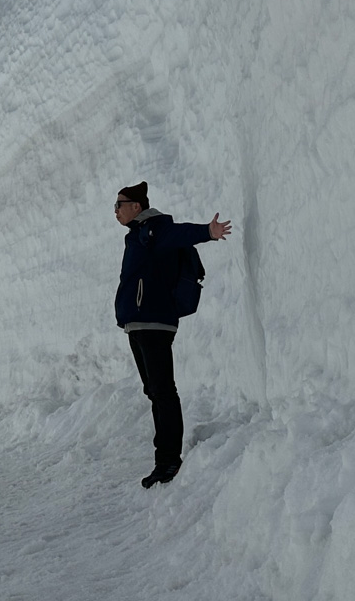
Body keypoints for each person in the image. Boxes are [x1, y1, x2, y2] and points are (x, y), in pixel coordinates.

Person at [113, 181, 230, 488]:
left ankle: (169, 460)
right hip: (137, 324)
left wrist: (208, 231)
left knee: (163, 391)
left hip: (155, 323)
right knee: (154, 391)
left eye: (119, 205)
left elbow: (182, 233)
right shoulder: (135, 237)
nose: (115, 212)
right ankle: (163, 458)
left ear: (136, 206)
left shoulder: (155, 230)